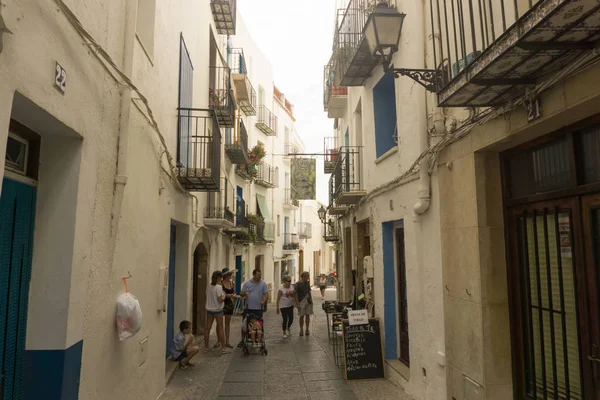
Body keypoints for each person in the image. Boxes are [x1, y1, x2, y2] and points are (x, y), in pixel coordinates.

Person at [238, 269, 269, 347]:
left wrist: (264, 301)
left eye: (260, 275)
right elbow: (241, 293)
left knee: (259, 324)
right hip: (248, 308)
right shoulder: (247, 283)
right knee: (245, 324)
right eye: (258, 275)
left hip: (258, 308)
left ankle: (258, 339)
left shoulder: (263, 284)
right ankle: (242, 339)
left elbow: (266, 294)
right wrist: (244, 293)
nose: (260, 276)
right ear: (254, 275)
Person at [204, 270, 229, 355]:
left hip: (209, 310)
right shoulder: (218, 287)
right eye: (221, 277)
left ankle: (206, 347)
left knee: (207, 328)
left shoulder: (209, 286)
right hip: (218, 310)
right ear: (218, 277)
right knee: (220, 328)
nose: (221, 279)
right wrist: (224, 296)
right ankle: (223, 348)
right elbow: (220, 300)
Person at [214, 268, 236, 349]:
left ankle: (227, 341)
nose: (231, 275)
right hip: (221, 304)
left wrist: (233, 296)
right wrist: (227, 295)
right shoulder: (220, 284)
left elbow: (233, 293)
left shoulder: (231, 283)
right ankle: (218, 340)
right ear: (226, 275)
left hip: (229, 304)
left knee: (227, 324)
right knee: (219, 324)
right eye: (230, 274)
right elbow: (218, 295)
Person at [295, 271, 313, 336]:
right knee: (301, 316)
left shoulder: (307, 283)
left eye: (308, 277)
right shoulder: (298, 284)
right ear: (302, 277)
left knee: (308, 315)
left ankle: (307, 329)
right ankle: (301, 330)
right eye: (306, 277)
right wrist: (297, 303)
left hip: (308, 301)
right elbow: (296, 294)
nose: (307, 278)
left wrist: (310, 299)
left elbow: (309, 292)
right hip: (301, 301)